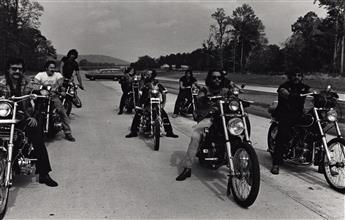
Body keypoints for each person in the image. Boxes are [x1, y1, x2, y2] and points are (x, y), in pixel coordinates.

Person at [0, 57, 58, 187]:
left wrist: (42, 91)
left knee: (37, 137)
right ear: (8, 69)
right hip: (4, 117)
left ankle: (44, 174)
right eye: (14, 69)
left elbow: (38, 89)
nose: (17, 71)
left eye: (20, 69)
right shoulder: (2, 83)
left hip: (22, 117)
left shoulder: (27, 82)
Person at [176, 70, 230, 181]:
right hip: (209, 118)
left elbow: (234, 99)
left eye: (219, 78)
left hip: (225, 119)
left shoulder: (225, 90)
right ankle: (187, 168)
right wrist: (204, 99)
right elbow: (199, 101)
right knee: (195, 136)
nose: (217, 80)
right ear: (210, 79)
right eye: (214, 77)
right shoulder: (204, 90)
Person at [271, 69, 311, 175]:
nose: (297, 77)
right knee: (282, 135)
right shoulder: (284, 86)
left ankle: (321, 162)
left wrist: (325, 96)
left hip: (298, 114)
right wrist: (294, 95)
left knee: (312, 129)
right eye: (294, 75)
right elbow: (285, 94)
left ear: (302, 77)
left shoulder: (304, 87)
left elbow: (313, 94)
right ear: (290, 76)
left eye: (299, 75)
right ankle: (276, 163)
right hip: (285, 113)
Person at [125, 69, 178, 138]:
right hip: (145, 102)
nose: (148, 75)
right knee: (138, 114)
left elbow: (164, 93)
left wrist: (163, 103)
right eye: (147, 73)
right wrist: (140, 102)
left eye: (149, 74)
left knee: (164, 115)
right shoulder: (144, 81)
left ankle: (169, 132)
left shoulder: (157, 83)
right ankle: (133, 132)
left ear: (153, 75)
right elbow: (140, 92)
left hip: (155, 102)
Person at [34, 60, 76, 142]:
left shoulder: (57, 75)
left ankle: (68, 133)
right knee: (35, 111)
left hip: (54, 96)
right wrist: (41, 88)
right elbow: (35, 83)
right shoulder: (40, 75)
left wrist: (58, 87)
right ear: (46, 68)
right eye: (51, 67)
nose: (52, 69)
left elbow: (60, 82)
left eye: (54, 68)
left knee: (61, 111)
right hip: (42, 97)